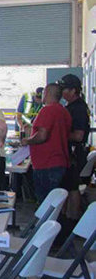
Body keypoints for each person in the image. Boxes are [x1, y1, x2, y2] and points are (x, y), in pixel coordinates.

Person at [21, 83, 71, 202]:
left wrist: (27, 140)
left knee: (45, 202)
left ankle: (46, 221)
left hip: (47, 163)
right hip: (60, 161)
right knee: (53, 202)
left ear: (47, 93)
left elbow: (43, 135)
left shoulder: (47, 110)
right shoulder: (64, 112)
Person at [58, 74, 91, 224]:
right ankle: (67, 220)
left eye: (64, 89)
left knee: (72, 188)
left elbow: (78, 136)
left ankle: (72, 220)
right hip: (70, 153)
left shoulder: (78, 109)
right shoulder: (71, 107)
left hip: (75, 154)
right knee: (69, 186)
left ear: (73, 91)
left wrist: (59, 133)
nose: (62, 93)